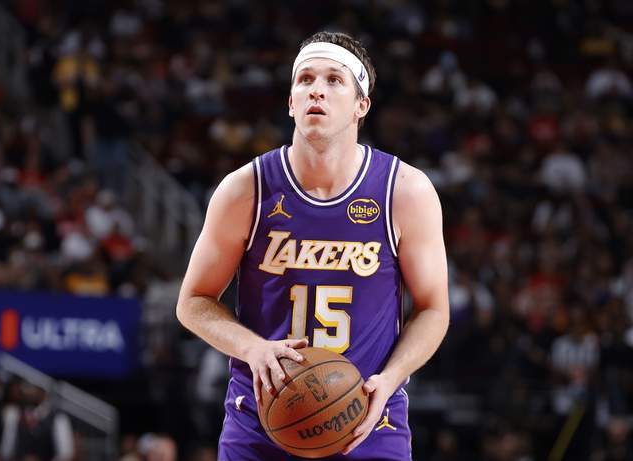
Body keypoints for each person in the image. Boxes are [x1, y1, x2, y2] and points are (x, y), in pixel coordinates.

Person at [176, 31, 449, 460]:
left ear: (361, 105)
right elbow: (193, 302)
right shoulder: (246, 189)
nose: (316, 89)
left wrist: (391, 378)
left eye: (334, 80)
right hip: (262, 421)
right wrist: (252, 348)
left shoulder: (405, 191)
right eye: (305, 79)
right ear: (291, 102)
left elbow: (433, 309)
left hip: (368, 418)